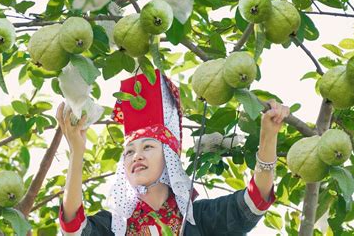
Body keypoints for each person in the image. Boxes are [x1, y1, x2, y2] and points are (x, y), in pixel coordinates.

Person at [56, 69, 290, 235]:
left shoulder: (198, 218)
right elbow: (72, 226)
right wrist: (77, 153)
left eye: (148, 147)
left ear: (168, 157)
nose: (136, 155)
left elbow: (256, 200)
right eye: (128, 152)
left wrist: (268, 136)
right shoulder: (114, 225)